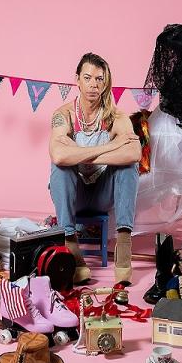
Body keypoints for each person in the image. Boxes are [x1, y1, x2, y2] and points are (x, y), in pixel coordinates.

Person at [49, 53, 141, 285]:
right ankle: (70, 242)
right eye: (88, 77)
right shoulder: (63, 116)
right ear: (77, 79)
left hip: (102, 193)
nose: (93, 84)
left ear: (106, 83)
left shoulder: (117, 117)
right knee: (60, 168)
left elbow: (134, 153)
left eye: (99, 79)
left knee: (128, 166)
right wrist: (111, 146)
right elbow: (59, 155)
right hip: (75, 193)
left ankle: (123, 242)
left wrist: (78, 154)